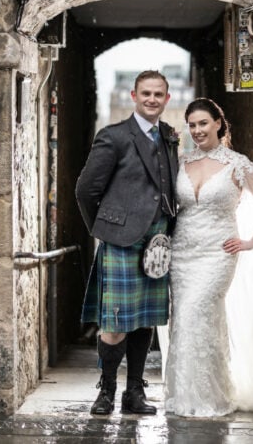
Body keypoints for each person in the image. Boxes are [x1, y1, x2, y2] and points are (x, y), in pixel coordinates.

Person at [163, 97, 253, 417]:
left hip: (218, 254)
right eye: (192, 125)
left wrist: (252, 241)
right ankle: (184, 395)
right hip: (183, 254)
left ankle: (209, 397)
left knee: (197, 311)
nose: (197, 130)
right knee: (185, 319)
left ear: (219, 123)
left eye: (203, 123)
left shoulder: (238, 164)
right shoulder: (182, 162)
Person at [76, 70, 179, 416]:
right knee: (116, 322)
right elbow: (86, 190)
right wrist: (106, 229)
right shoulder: (114, 136)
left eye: (159, 94)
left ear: (167, 99)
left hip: (158, 241)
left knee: (145, 318)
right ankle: (106, 391)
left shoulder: (168, 136)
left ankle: (134, 393)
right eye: (146, 93)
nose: (152, 99)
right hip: (121, 241)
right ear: (134, 96)